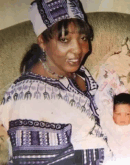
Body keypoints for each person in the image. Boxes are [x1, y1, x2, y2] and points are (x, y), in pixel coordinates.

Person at [0, 0, 111, 164]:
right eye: (65, 40)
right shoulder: (27, 99)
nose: (78, 49)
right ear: (42, 42)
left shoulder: (77, 72)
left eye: (83, 38)